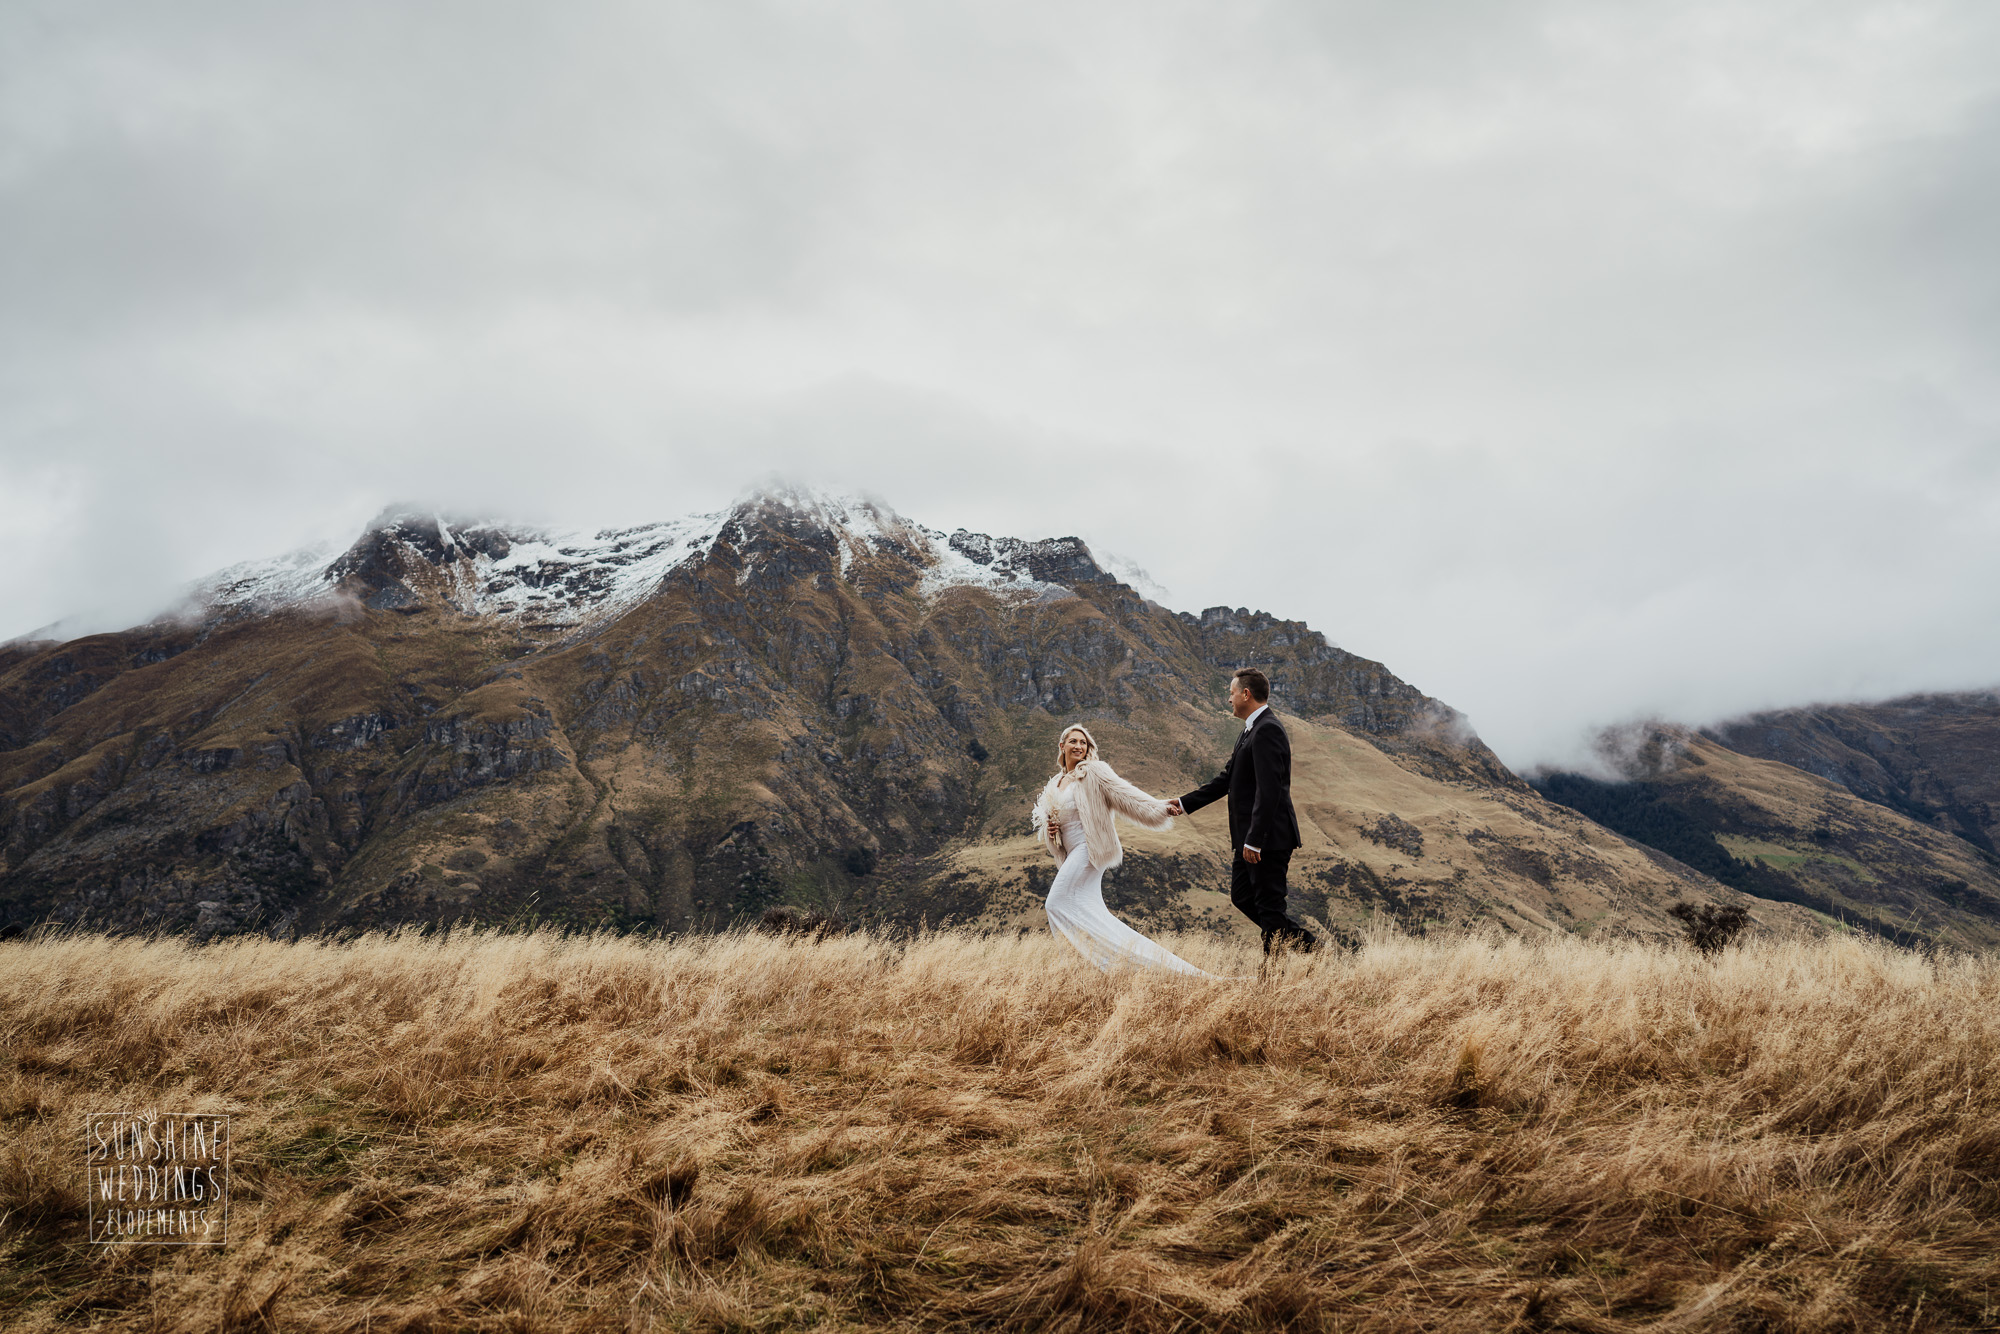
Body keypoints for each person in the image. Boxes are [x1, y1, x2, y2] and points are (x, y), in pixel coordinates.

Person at [1031, 724, 1213, 976]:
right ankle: (1096, 969)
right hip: (1071, 852)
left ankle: (1093, 963)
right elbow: (1053, 826)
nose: (1079, 746)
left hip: (1088, 848)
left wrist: (1159, 807)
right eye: (1073, 741)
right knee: (1093, 914)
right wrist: (1051, 830)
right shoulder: (1055, 782)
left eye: (1083, 742)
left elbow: (1125, 794)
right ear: (1062, 746)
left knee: (1055, 903)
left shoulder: (1093, 772)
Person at [1167, 667, 1319, 955]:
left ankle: (1275, 973)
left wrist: (1255, 839)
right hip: (1249, 839)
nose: (1229, 699)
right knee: (1241, 896)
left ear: (1246, 694)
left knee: (1269, 906)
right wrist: (1184, 803)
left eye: (1232, 693)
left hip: (1267, 840)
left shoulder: (1268, 729)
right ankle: (1312, 948)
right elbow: (1227, 779)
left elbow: (1270, 789)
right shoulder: (1250, 730)